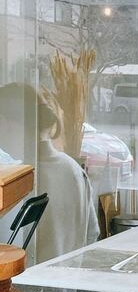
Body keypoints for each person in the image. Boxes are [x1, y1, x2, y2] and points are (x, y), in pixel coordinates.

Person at [0, 82, 99, 262]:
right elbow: (92, 234)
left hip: (28, 279)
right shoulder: (74, 169)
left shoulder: (19, 179)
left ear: (4, 123)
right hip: (67, 279)